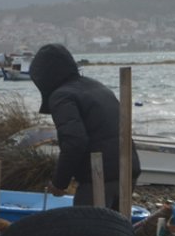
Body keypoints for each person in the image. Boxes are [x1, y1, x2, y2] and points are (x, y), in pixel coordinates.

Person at [27, 43, 140, 210]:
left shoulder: (61, 96)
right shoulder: (96, 86)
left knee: (86, 231)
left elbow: (74, 141)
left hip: (99, 176)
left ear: (45, 77)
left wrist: (59, 182)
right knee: (115, 230)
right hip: (128, 168)